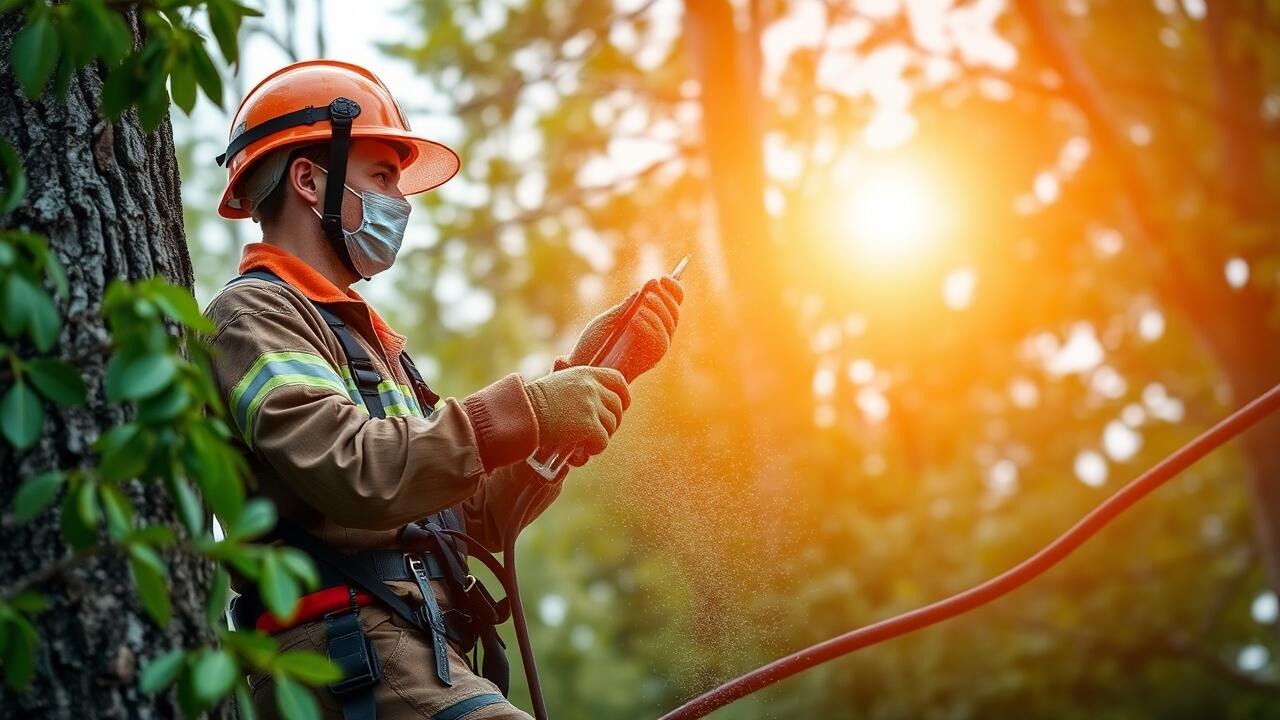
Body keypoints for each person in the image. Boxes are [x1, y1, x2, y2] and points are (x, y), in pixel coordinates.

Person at [202, 60, 683, 720]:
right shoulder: (254, 319)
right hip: (345, 656)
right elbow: (359, 471)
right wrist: (532, 408)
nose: (398, 202)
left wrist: (595, 371)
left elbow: (470, 518)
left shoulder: (363, 340)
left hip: (412, 652)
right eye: (380, 177)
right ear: (310, 179)